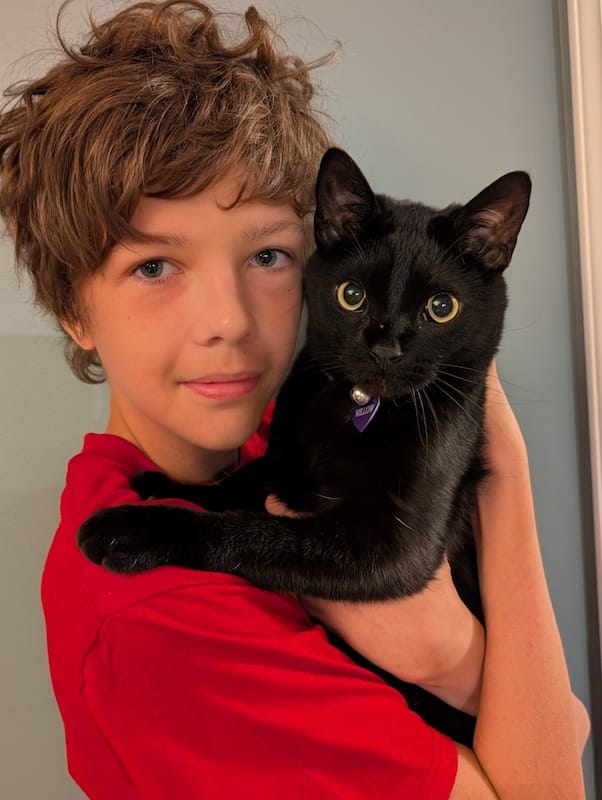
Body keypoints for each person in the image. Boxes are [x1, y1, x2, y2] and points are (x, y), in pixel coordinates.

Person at [0, 1, 589, 798]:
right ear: (74, 309)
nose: (230, 324)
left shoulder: (273, 432)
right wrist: (466, 663)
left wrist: (504, 473)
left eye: (269, 255)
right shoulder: (166, 622)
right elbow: (550, 778)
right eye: (154, 267)